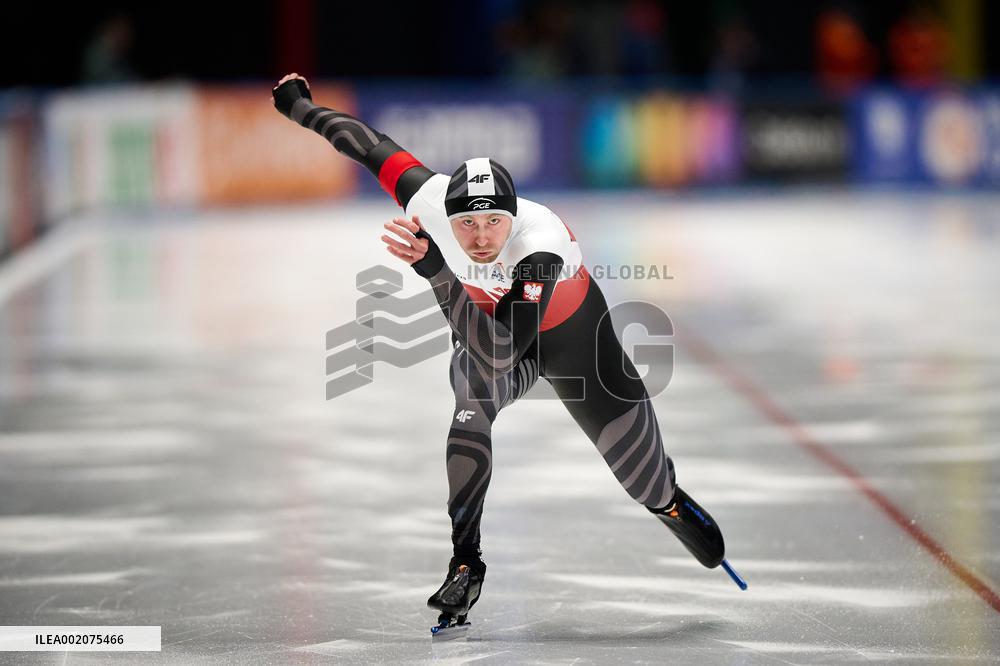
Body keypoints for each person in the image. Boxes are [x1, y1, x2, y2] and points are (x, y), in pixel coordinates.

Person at [271, 73, 730, 636]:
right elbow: (364, 142)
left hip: (574, 342)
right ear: (447, 213)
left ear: (514, 218)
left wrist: (434, 268)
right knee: (470, 405)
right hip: (492, 329)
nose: (481, 236)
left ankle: (668, 503)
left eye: (494, 222)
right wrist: (300, 106)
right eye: (466, 223)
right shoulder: (429, 198)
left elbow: (503, 345)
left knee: (645, 485)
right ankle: (466, 562)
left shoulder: (539, 247)